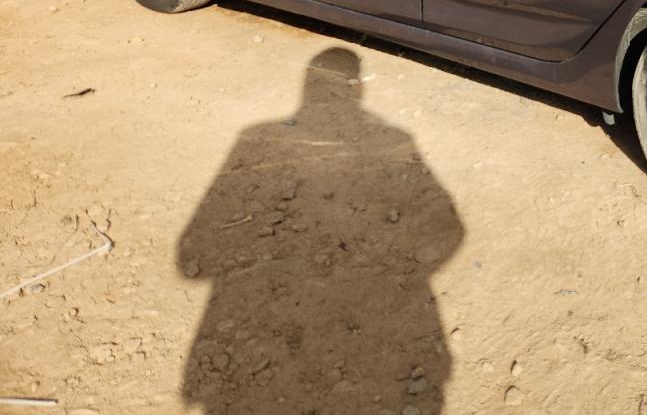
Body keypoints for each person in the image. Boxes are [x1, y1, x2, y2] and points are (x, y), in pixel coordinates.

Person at [178, 47, 463, 415]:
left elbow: (189, 254)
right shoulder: (393, 136)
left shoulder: (257, 135)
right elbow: (452, 230)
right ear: (357, 87)